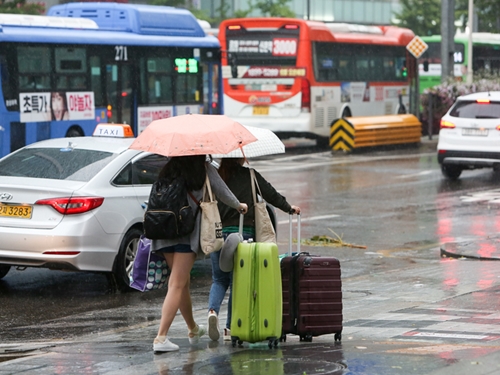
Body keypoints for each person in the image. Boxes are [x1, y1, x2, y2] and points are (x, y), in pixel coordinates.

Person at [151, 155, 248, 353]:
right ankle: (161, 337)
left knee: (182, 282)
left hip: (164, 230)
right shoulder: (204, 168)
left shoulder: (168, 168)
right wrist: (239, 205)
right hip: (186, 233)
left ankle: (193, 329)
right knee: (177, 284)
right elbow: (222, 192)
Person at [207, 157, 300, 341]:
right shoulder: (250, 176)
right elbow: (270, 194)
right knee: (237, 281)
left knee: (218, 279)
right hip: (243, 236)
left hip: (218, 234)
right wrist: (289, 208)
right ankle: (229, 328)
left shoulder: (217, 176)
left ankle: (212, 311)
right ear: (240, 157)